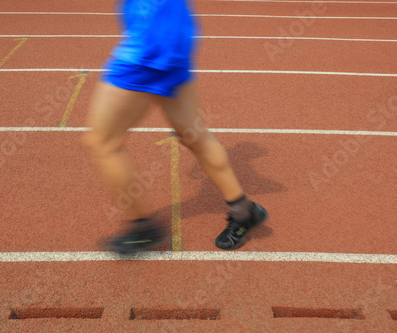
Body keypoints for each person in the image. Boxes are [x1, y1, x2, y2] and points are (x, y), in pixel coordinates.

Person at [82, 0, 268, 254]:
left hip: (150, 46)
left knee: (102, 142)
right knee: (194, 136)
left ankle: (144, 228)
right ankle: (244, 211)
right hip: (170, 34)